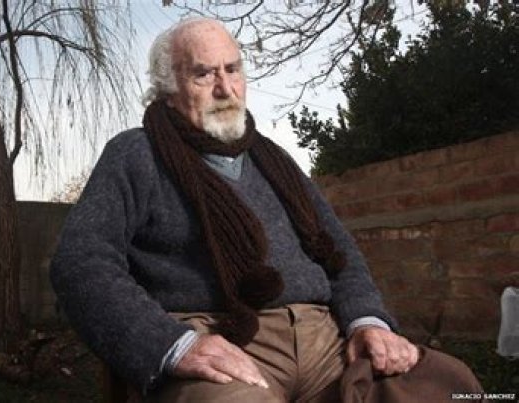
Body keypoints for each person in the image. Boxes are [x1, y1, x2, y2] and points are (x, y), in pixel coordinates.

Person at [50, 18, 481, 402]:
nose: (225, 88)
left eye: (232, 69)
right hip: (221, 340)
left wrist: (368, 322)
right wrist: (171, 345)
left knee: (448, 384)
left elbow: (340, 253)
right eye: (203, 73)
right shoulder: (136, 153)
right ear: (168, 88)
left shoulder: (274, 160)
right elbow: (80, 262)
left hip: (324, 342)